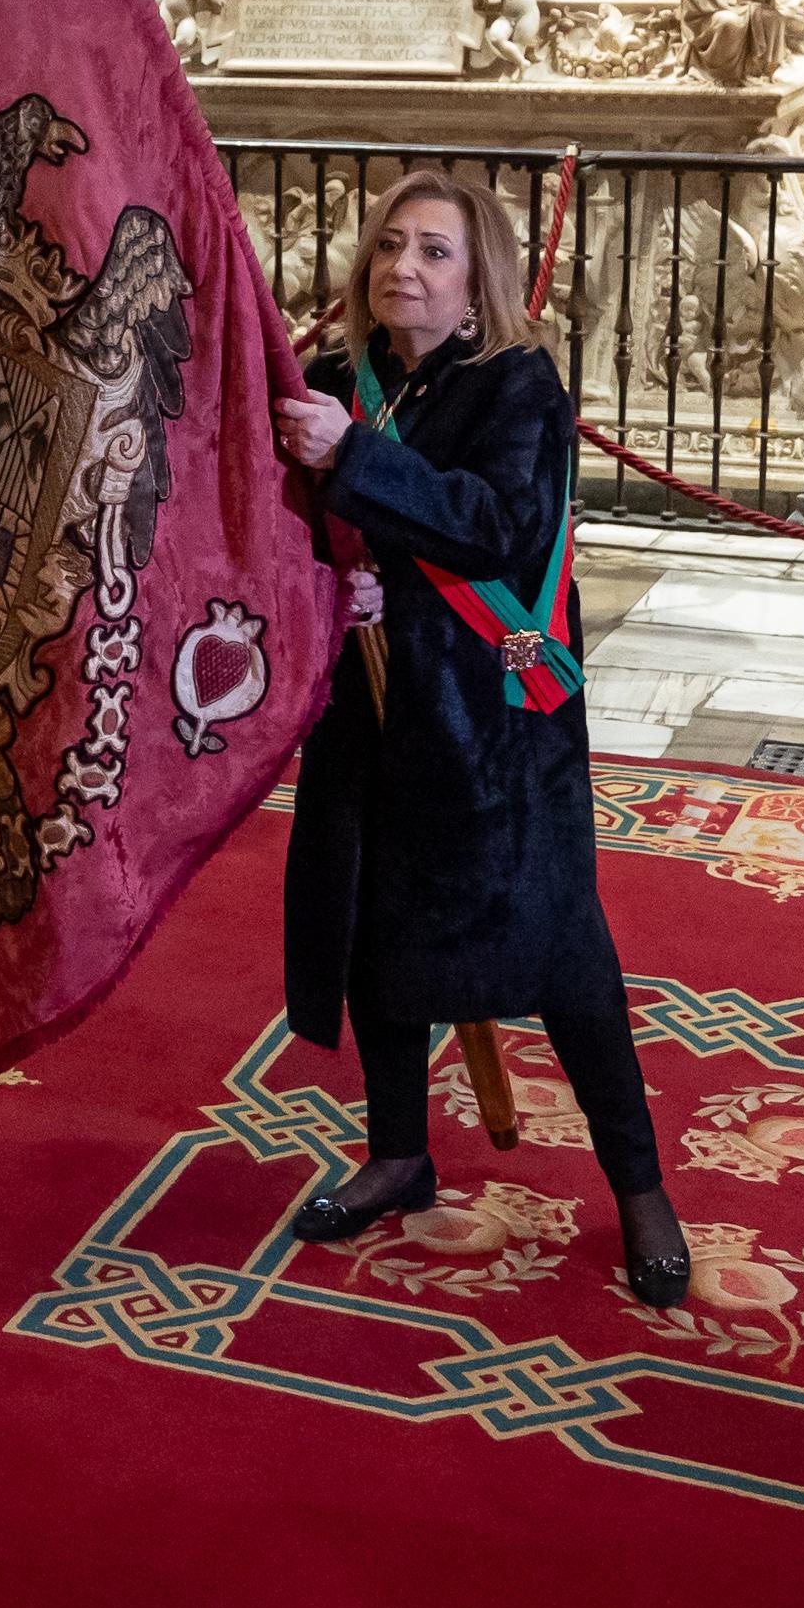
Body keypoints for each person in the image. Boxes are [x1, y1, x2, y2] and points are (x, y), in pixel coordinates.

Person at [265, 169, 689, 1307]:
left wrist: (350, 457)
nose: (404, 266)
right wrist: (322, 585)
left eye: (435, 251)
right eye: (390, 245)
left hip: (495, 722)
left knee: (563, 958)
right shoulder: (327, 381)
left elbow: (493, 528)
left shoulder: (515, 387)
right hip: (369, 712)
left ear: (477, 278)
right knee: (378, 935)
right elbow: (273, 529)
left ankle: (639, 1185)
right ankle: (399, 1152)